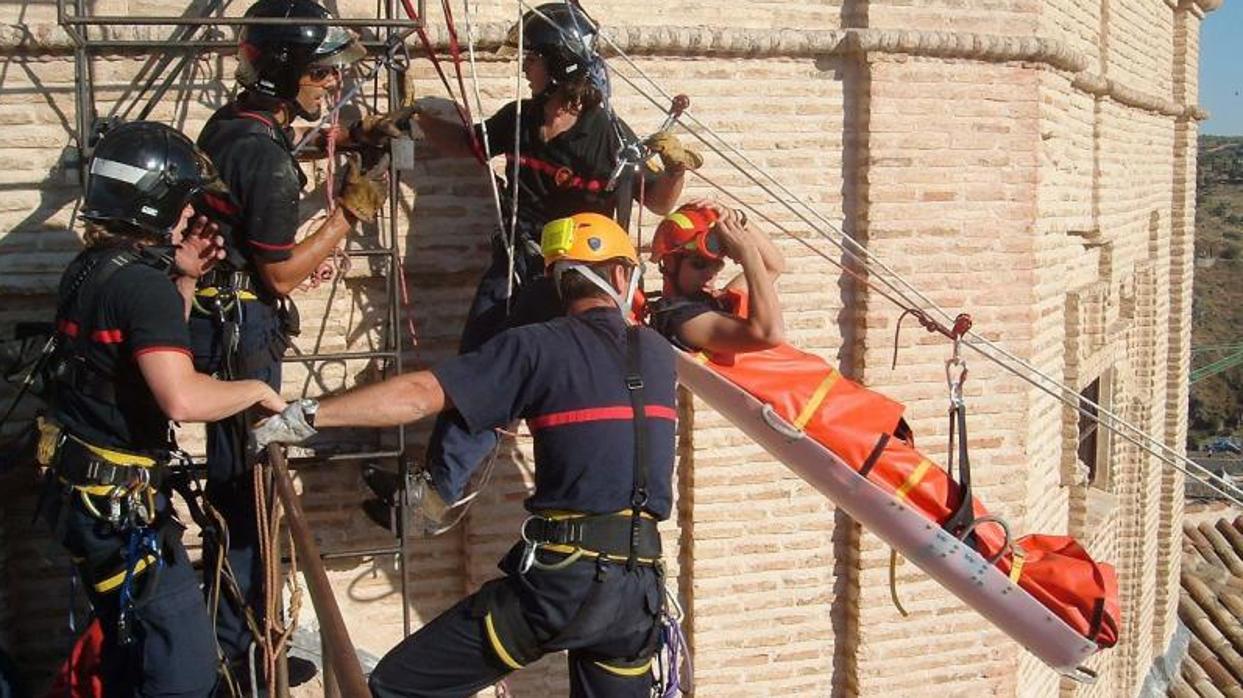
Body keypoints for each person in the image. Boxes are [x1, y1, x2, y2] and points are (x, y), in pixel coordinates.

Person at [254, 213, 677, 697]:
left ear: (559, 282)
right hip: (638, 596)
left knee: (398, 686)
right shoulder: (659, 353)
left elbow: (418, 394)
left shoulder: (536, 347)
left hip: (562, 586)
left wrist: (308, 414)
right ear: (622, 274)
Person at [412, 1, 701, 510]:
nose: (524, 66)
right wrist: (414, 121)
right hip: (511, 266)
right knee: (477, 366)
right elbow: (471, 144)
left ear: (558, 62)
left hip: (569, 282)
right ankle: (438, 485)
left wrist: (674, 168)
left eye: (532, 58)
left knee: (501, 372)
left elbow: (656, 199)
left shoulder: (607, 136)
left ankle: (441, 486)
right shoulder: (519, 118)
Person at [36, 121, 287, 697]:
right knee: (184, 668)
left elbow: (134, 360)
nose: (190, 213)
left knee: (132, 651)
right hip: (119, 509)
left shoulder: (93, 268)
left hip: (83, 496)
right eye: (185, 202)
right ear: (157, 203)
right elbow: (181, 396)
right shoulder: (141, 287)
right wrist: (255, 391)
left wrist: (186, 279)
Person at [190, 0, 396, 671]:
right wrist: (345, 216)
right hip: (242, 331)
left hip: (221, 324)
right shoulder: (264, 157)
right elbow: (279, 273)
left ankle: (242, 625)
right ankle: (241, 644)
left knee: (239, 481)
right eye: (321, 74)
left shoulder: (235, 126)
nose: (330, 85)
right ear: (283, 72)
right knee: (249, 486)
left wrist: (357, 130)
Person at [647, 201, 786, 354]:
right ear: (670, 263)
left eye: (717, 267)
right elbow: (769, 334)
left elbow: (772, 267)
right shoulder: (683, 320)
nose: (710, 276)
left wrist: (736, 220)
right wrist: (748, 254)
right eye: (699, 265)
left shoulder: (711, 300)